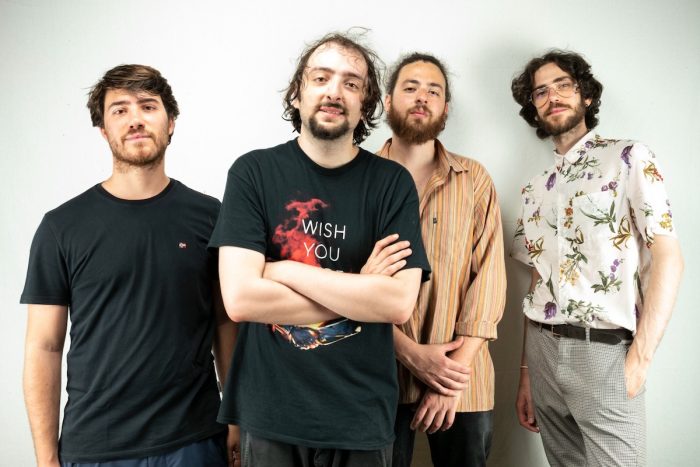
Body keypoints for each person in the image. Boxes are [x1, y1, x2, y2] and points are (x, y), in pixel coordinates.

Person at [208, 33, 431, 467]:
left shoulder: (391, 184)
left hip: (360, 416)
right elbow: (241, 299)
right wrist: (360, 289)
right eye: (321, 78)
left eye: (351, 83)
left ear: (366, 103)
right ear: (297, 93)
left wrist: (282, 270)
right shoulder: (253, 172)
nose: (334, 91)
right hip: (270, 412)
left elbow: (396, 303)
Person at [21, 64, 237, 467]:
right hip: (97, 446)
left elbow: (226, 324)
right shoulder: (61, 227)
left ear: (171, 123)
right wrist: (46, 457)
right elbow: (44, 347)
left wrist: (236, 419)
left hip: (194, 439)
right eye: (119, 110)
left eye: (148, 106)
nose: (135, 119)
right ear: (104, 131)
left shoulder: (211, 216)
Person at [510, 50, 684, 466]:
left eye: (563, 85)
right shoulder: (534, 188)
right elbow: (538, 280)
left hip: (605, 351)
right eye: (540, 92)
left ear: (586, 95)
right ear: (533, 108)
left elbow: (668, 257)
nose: (552, 96)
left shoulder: (628, 158)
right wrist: (527, 373)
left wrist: (640, 358)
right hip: (542, 350)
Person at [376, 53, 506, 467]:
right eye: (410, 87)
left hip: (462, 382)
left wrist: (449, 378)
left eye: (434, 91)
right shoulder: (358, 179)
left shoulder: (474, 179)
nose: (422, 97)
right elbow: (342, 284)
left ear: (446, 107)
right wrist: (409, 353)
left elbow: (489, 281)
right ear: (387, 101)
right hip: (376, 376)